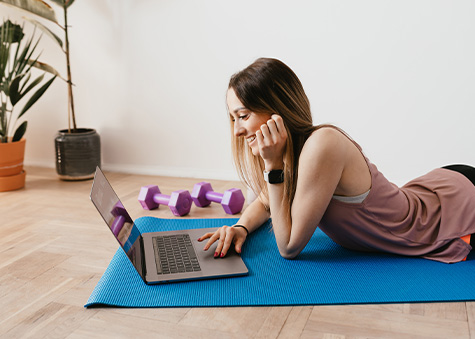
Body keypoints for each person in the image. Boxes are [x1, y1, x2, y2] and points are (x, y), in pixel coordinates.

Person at [198, 57, 475, 264]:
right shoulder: (291, 153)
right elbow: (264, 201)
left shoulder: (322, 144)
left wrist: (272, 166)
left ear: (277, 110)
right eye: (233, 118)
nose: (237, 130)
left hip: (451, 214)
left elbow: (289, 247)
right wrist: (240, 227)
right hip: (431, 192)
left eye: (243, 116)